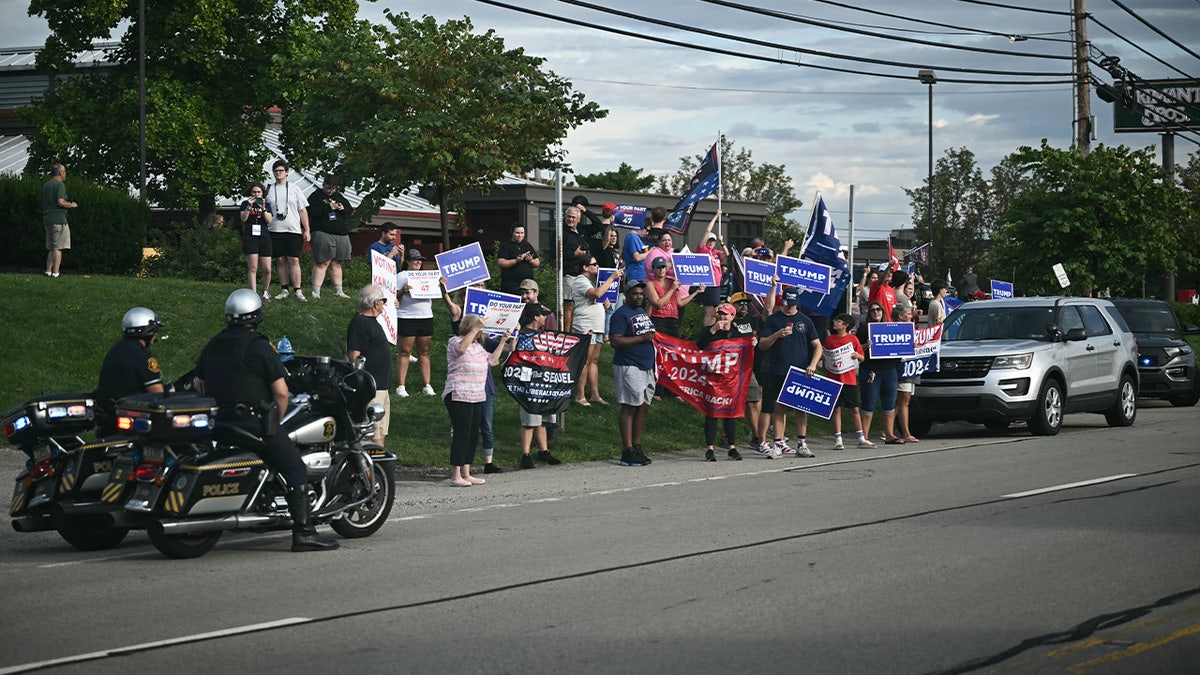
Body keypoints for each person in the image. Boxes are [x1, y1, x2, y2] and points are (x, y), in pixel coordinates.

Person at [194, 289, 338, 552]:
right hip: (252, 424)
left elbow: (198, 383)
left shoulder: (213, 344)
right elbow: (282, 392)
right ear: (257, 316)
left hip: (219, 424)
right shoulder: (259, 346)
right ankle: (304, 533)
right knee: (295, 468)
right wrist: (276, 421)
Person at [444, 282, 505, 474]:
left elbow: (493, 360)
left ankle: (467, 472)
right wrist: (474, 328)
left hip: (477, 396)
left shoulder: (478, 346)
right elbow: (462, 348)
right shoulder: (455, 342)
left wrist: (504, 340)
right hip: (459, 395)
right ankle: (456, 474)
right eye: (478, 329)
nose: (481, 332)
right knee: (461, 434)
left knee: (472, 435)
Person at [759, 286, 823, 459]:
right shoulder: (773, 320)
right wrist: (777, 335)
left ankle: (802, 443)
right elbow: (762, 344)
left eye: (792, 303)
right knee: (779, 407)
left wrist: (813, 364)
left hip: (800, 371)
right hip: (778, 370)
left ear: (797, 303)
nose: (788, 306)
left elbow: (817, 346)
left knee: (801, 408)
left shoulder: (805, 321)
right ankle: (778, 443)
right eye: (786, 303)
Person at [94, 307, 165, 436]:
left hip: (107, 418)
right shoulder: (142, 356)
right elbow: (157, 394)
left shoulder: (115, 350)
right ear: (148, 331)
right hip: (131, 420)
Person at [609, 280, 657, 467]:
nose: (639, 296)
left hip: (646, 366)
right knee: (629, 407)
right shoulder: (621, 314)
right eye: (635, 294)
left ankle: (637, 445)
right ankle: (627, 449)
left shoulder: (641, 312)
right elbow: (615, 341)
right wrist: (642, 338)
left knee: (643, 406)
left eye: (641, 294)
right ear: (626, 296)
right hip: (629, 365)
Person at [515, 303, 564, 469]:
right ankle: (525, 454)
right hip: (529, 384)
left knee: (542, 419)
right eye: (542, 314)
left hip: (544, 383)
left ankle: (544, 451)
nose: (545, 317)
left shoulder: (544, 336)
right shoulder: (522, 335)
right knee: (529, 420)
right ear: (536, 316)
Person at [696, 302, 744, 461]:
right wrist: (713, 330)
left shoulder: (737, 334)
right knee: (712, 413)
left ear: (732, 316)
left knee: (730, 413)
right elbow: (700, 345)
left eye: (726, 314)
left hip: (730, 380)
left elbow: (746, 353)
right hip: (713, 378)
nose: (722, 316)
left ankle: (732, 447)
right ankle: (709, 448)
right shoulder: (709, 330)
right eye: (721, 313)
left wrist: (752, 344)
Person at [570, 256, 621, 405]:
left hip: (597, 325)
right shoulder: (580, 281)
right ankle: (580, 395)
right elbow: (596, 294)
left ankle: (595, 395)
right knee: (585, 361)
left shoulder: (589, 282)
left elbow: (596, 298)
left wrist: (603, 306)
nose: (597, 266)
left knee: (594, 361)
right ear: (585, 267)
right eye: (594, 264)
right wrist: (612, 278)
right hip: (586, 325)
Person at [347, 285, 393, 447]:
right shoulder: (360, 322)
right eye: (383, 301)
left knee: (380, 430)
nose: (384, 304)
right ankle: (369, 467)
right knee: (373, 431)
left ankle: (378, 467)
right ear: (375, 304)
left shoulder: (372, 322)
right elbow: (354, 355)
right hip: (371, 386)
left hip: (381, 385)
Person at [729, 290, 774, 452]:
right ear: (731, 305)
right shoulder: (725, 319)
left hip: (747, 368)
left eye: (746, 304)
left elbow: (768, 311)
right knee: (727, 403)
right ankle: (726, 435)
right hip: (729, 368)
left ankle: (757, 437)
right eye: (740, 304)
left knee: (754, 401)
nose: (744, 307)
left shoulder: (752, 321)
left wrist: (772, 287)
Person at [517, 278, 561, 445]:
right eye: (522, 293)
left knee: (544, 403)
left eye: (527, 293)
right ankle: (530, 440)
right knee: (529, 403)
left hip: (543, 363)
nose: (524, 296)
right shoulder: (518, 310)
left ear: (536, 293)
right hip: (525, 365)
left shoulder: (547, 313)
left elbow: (554, 337)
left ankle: (548, 436)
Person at [857, 301, 904, 446]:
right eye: (873, 310)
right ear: (869, 313)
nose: (876, 312)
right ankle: (864, 436)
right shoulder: (864, 329)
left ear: (883, 312)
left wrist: (907, 345)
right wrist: (866, 345)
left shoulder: (892, 328)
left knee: (889, 403)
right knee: (868, 403)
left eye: (879, 310)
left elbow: (899, 348)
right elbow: (855, 350)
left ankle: (889, 434)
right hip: (871, 371)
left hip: (889, 370)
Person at [823, 313, 872, 450]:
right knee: (836, 409)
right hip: (833, 378)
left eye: (838, 321)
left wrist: (857, 355)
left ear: (845, 325)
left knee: (854, 409)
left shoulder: (853, 339)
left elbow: (862, 358)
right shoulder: (830, 340)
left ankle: (861, 437)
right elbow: (826, 355)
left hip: (849, 379)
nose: (834, 322)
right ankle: (838, 438)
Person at [266, 160, 311, 301]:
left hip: (293, 230)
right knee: (280, 260)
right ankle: (284, 288)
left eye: (281, 170)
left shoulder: (295, 189)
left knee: (294, 259)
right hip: (274, 229)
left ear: (287, 172)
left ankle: (298, 289)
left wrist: (307, 229)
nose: (278, 173)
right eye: (275, 171)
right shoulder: (269, 189)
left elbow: (302, 210)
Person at [394, 248, 436, 398]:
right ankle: (401, 386)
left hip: (425, 316)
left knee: (424, 352)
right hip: (407, 316)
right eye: (415, 259)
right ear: (408, 261)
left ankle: (427, 384)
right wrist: (403, 291)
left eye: (420, 260)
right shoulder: (401, 276)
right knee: (405, 352)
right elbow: (394, 297)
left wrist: (440, 285)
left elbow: (435, 295)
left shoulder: (426, 276)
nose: (418, 262)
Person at [308, 174, 355, 299]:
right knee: (322, 262)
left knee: (337, 263)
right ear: (323, 185)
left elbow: (349, 212)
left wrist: (341, 208)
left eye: (333, 188)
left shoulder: (339, 197)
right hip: (323, 232)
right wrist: (327, 207)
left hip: (341, 233)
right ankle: (316, 291)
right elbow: (311, 212)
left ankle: (338, 291)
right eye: (328, 188)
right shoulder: (316, 196)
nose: (330, 191)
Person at [239, 182, 273, 299]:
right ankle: (253, 293)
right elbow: (243, 219)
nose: (256, 194)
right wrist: (249, 206)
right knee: (253, 267)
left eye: (258, 192)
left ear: (262, 193)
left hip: (264, 237)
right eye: (254, 192)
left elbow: (269, 221)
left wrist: (263, 209)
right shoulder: (245, 204)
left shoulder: (266, 205)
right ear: (250, 193)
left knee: (267, 269)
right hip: (251, 237)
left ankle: (265, 291)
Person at [42, 163, 77, 278]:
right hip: (59, 219)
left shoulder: (46, 185)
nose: (65, 174)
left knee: (51, 247)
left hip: (47, 219)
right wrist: (71, 205)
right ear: (61, 173)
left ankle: (48, 271)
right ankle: (56, 273)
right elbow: (60, 202)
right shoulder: (60, 185)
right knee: (58, 247)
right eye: (65, 172)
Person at [695, 210, 728, 326]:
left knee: (715, 311)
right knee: (709, 311)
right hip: (708, 283)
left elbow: (727, 254)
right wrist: (716, 216)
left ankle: (711, 331)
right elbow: (707, 231)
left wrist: (722, 242)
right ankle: (706, 332)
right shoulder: (702, 250)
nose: (711, 243)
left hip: (716, 284)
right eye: (709, 240)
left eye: (713, 241)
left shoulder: (716, 252)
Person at [893, 303, 920, 443]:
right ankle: (905, 432)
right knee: (903, 400)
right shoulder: (897, 329)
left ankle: (889, 430)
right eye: (909, 314)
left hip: (911, 367)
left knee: (901, 401)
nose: (911, 316)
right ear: (900, 316)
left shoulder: (910, 328)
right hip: (902, 369)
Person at [561, 205, 590, 333]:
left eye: (573, 217)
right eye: (568, 216)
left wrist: (586, 211)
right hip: (569, 273)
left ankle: (577, 331)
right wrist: (574, 254)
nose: (571, 219)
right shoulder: (561, 233)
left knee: (582, 304)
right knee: (569, 304)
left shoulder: (582, 232)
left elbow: (598, 226)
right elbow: (555, 254)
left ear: (579, 219)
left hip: (583, 274)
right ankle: (567, 332)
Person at [496, 222, 541, 295]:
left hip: (527, 284)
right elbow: (500, 263)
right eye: (517, 233)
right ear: (512, 232)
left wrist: (531, 260)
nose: (520, 235)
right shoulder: (506, 246)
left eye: (522, 233)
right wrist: (516, 260)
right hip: (511, 284)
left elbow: (537, 262)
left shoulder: (527, 245)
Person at [595, 226, 622, 335]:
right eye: (611, 236)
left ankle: (614, 333)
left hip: (619, 285)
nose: (614, 238)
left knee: (618, 311)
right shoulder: (604, 252)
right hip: (608, 284)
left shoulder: (616, 252)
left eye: (615, 236)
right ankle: (606, 334)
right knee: (609, 310)